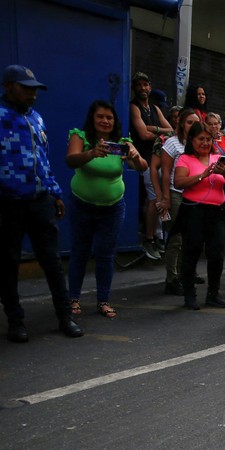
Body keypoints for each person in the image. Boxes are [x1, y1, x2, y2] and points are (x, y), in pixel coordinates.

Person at [1, 65, 83, 342]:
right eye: (26, 89)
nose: (32, 95)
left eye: (35, 90)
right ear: (8, 86)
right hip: (8, 203)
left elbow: (44, 161)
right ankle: (15, 321)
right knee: (8, 264)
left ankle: (64, 317)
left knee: (51, 262)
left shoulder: (36, 118)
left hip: (40, 201)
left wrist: (56, 193)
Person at [65, 100, 148, 320]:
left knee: (105, 254)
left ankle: (103, 300)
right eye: (100, 116)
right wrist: (91, 153)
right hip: (82, 205)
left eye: (109, 118)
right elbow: (71, 160)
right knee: (80, 253)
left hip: (112, 208)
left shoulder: (122, 142)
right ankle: (73, 299)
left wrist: (134, 156)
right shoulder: (80, 137)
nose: (105, 121)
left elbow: (143, 167)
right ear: (93, 118)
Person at [173, 121, 225, 309]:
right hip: (194, 212)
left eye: (208, 139)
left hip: (216, 213)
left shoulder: (219, 158)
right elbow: (179, 182)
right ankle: (189, 294)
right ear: (192, 140)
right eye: (200, 139)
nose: (205, 142)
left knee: (217, 254)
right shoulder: (185, 159)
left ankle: (213, 293)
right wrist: (202, 175)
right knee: (191, 253)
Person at [159, 107, 202, 296]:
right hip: (176, 193)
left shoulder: (197, 143)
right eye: (189, 122)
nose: (192, 126)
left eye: (195, 122)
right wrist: (165, 197)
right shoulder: (172, 143)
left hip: (193, 194)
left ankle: (186, 273)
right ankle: (172, 278)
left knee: (191, 237)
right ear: (181, 124)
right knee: (176, 238)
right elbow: (165, 171)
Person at [129, 72, 172, 260]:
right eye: (139, 85)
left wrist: (154, 129)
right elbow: (142, 134)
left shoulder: (154, 108)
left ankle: (157, 235)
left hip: (157, 158)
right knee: (154, 199)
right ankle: (149, 238)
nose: (143, 89)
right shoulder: (134, 107)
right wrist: (160, 133)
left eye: (146, 85)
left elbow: (170, 130)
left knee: (159, 199)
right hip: (143, 160)